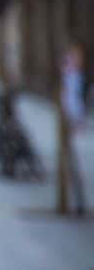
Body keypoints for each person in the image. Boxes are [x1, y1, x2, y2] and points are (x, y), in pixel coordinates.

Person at [60, 44, 87, 216]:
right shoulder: (69, 76)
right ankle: (78, 202)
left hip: (76, 125)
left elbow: (77, 103)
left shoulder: (77, 78)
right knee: (74, 166)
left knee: (79, 165)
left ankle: (80, 203)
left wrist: (77, 122)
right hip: (70, 124)